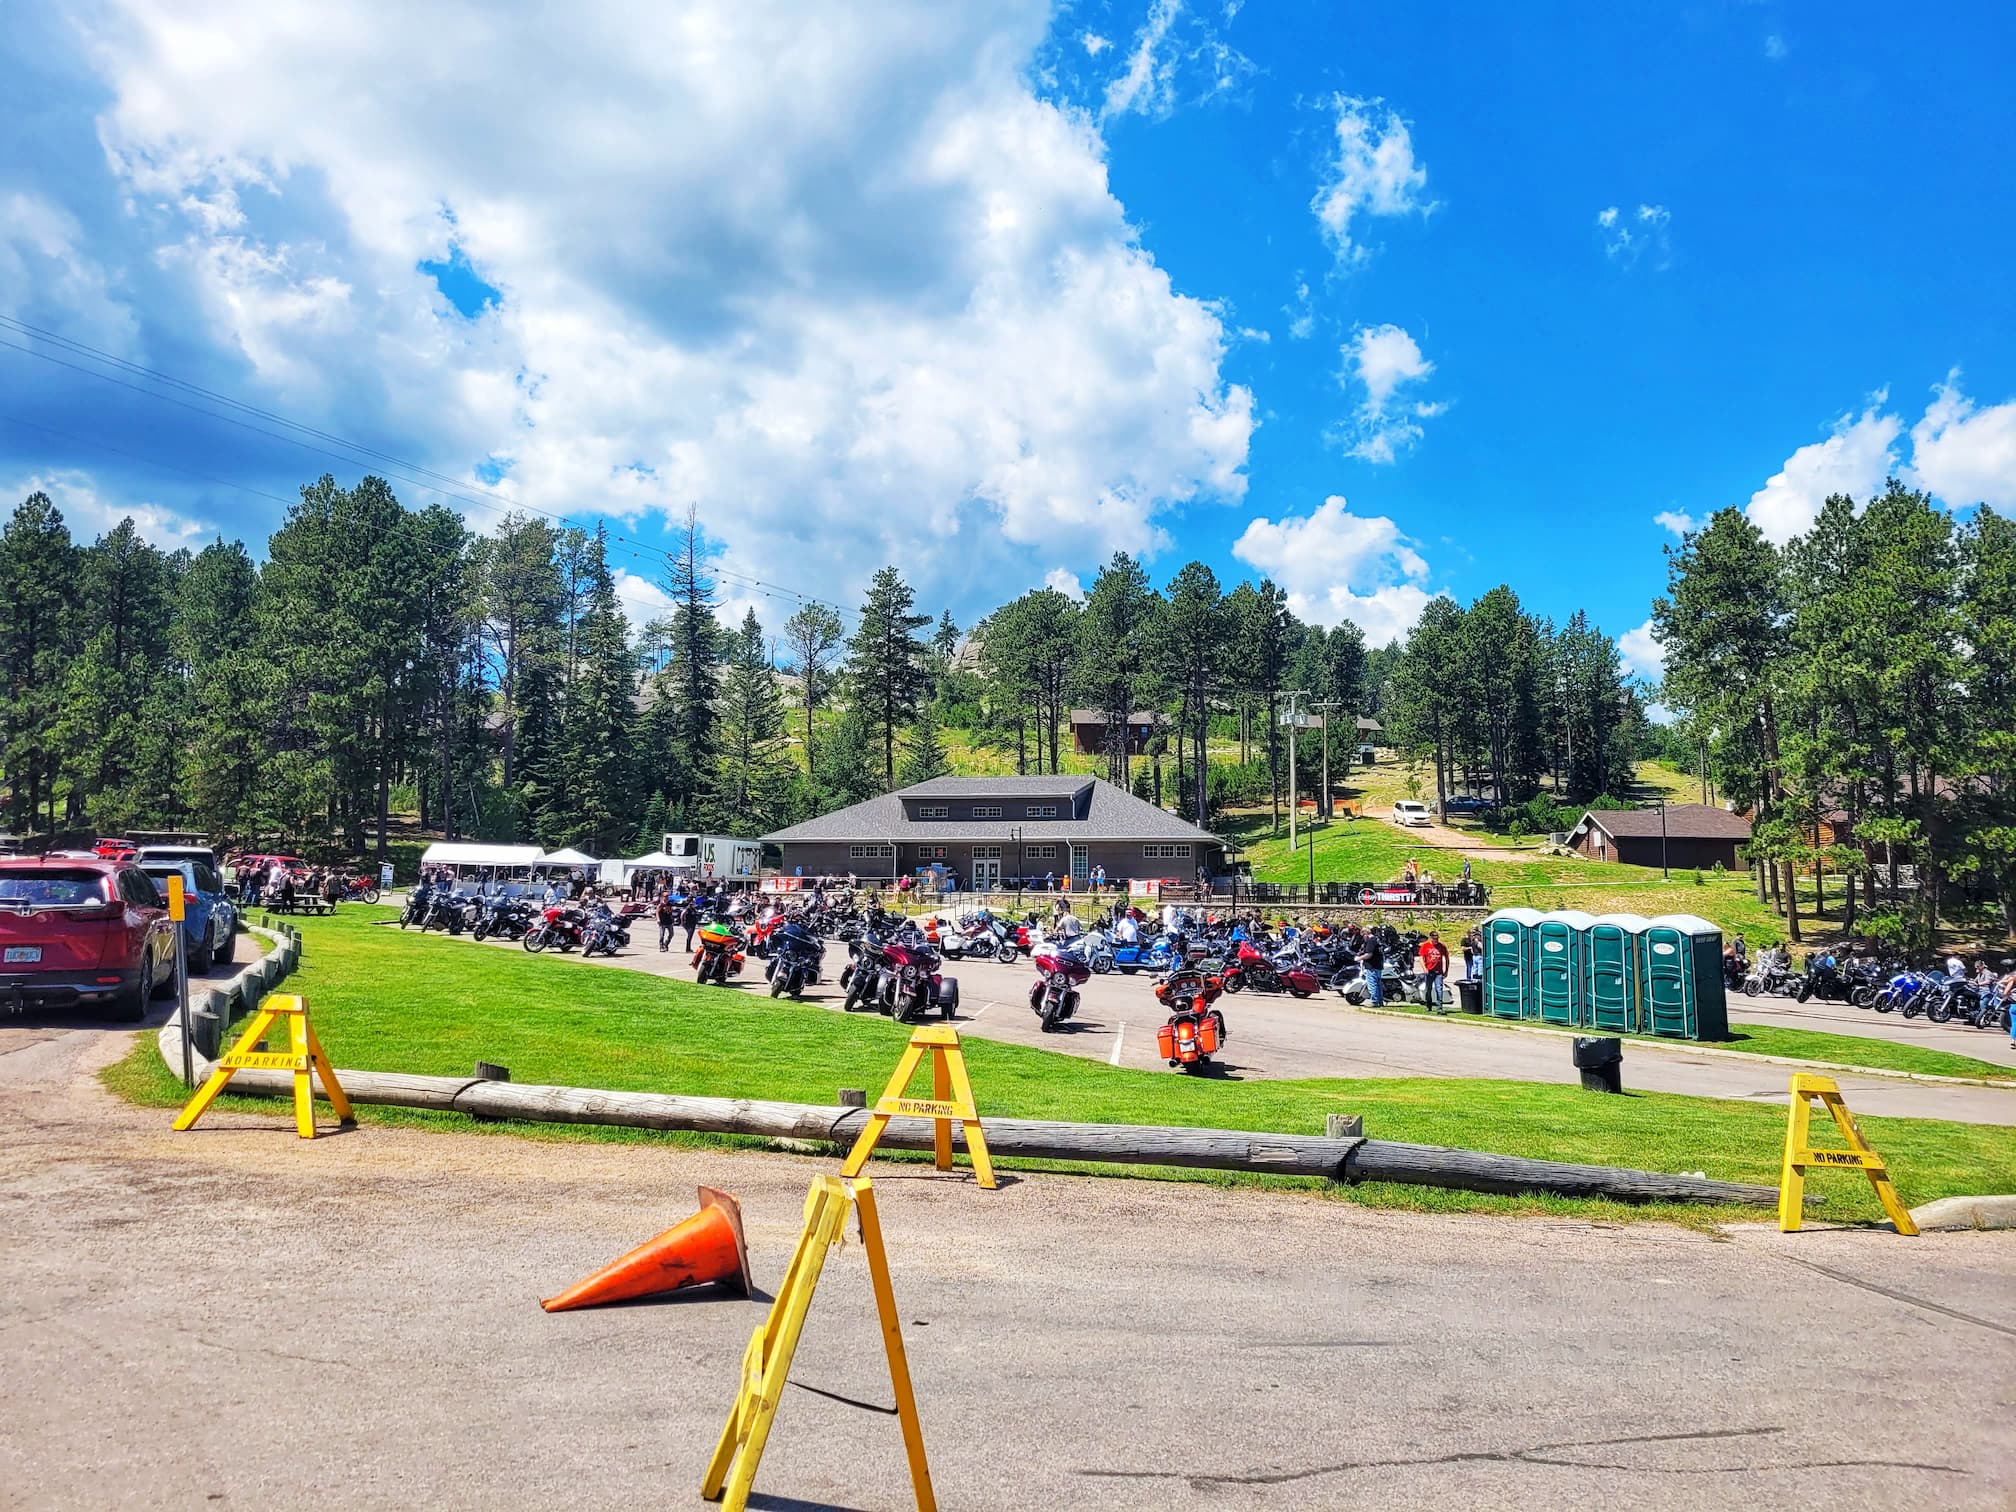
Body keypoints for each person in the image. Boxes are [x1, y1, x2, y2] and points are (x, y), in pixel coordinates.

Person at [1419, 930, 1450, 1013]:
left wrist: (1446, 970)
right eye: (1434, 939)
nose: (1436, 940)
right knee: (1428, 989)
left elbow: (1447, 958)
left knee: (1439, 989)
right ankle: (1428, 1005)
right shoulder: (1425, 946)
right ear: (1430, 938)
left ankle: (1439, 1007)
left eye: (1437, 938)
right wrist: (1424, 968)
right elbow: (1421, 958)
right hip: (1429, 971)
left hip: (1438, 972)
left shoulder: (1442, 946)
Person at [1357, 929, 1385, 1005]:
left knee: (1372, 984)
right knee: (1378, 984)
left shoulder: (1370, 941)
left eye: (1363, 936)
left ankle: (1374, 1001)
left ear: (1365, 934)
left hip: (1372, 965)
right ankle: (1380, 1001)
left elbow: (1369, 954)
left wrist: (1359, 958)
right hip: (1379, 965)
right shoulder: (1377, 940)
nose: (1363, 938)